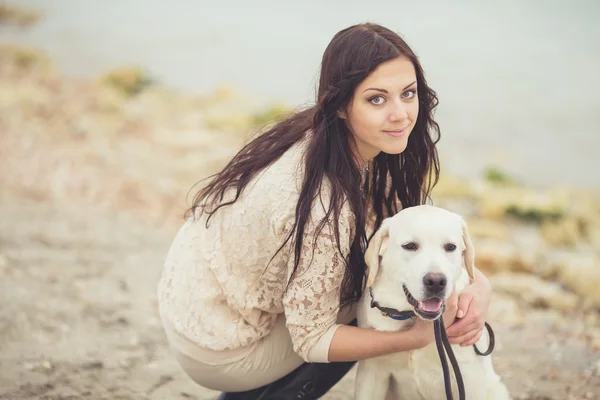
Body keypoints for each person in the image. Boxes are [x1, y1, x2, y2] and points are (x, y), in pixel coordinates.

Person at [157, 22, 492, 400]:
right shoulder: (322, 203)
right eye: (377, 99)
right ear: (342, 105)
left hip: (197, 296)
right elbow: (312, 339)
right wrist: (412, 338)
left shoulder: (323, 138)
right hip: (218, 344)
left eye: (408, 93)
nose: (400, 114)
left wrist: (479, 285)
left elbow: (420, 235)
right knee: (373, 299)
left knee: (380, 276)